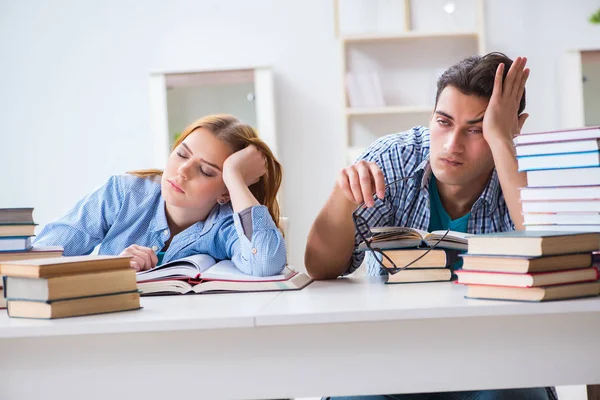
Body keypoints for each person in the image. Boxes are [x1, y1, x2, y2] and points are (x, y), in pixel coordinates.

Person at [306, 53, 553, 399]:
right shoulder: (394, 158)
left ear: (514, 126)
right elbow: (319, 267)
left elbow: (553, 256)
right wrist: (340, 197)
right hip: (395, 356)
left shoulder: (526, 169)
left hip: (498, 359)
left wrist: (501, 141)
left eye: (477, 129)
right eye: (444, 121)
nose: (452, 146)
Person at [34, 114, 286, 277]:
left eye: (206, 171)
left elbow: (264, 262)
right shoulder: (124, 194)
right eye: (182, 154)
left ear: (225, 193)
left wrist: (234, 176)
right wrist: (110, 267)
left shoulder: (225, 226)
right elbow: (39, 258)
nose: (183, 171)